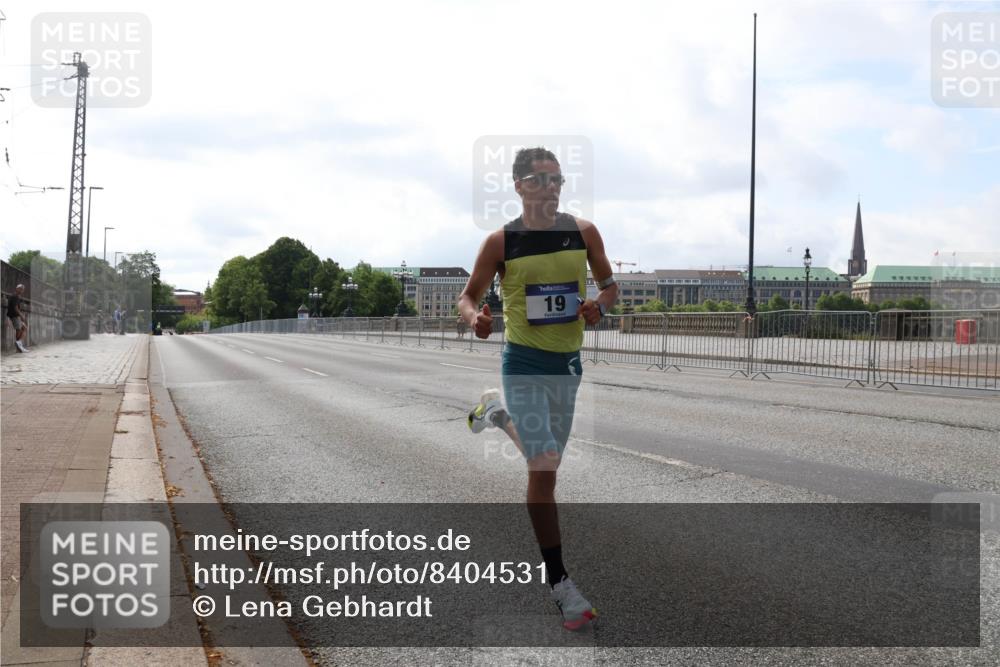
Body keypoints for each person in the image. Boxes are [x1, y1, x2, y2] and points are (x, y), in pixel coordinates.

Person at [457, 146, 619, 631]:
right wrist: (475, 319)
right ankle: (561, 585)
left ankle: (495, 414)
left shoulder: (584, 232)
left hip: (566, 366)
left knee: (546, 463)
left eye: (557, 179)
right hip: (523, 363)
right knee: (543, 466)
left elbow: (610, 285)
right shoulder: (499, 243)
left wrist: (599, 305)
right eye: (540, 179)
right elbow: (468, 297)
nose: (550, 187)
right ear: (519, 186)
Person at [6, 284, 29, 353]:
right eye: (21, 289)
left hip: (15, 315)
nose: (22, 291)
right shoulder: (15, 296)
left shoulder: (16, 296)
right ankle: (19, 347)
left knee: (23, 328)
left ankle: (19, 345)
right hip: (14, 316)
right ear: (17, 289)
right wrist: (22, 316)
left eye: (23, 289)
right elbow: (15, 308)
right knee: (19, 329)